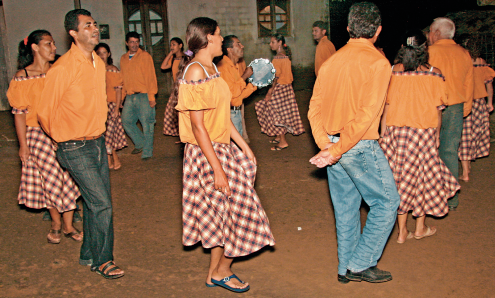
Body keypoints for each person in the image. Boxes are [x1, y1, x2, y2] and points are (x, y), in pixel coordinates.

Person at [175, 17, 275, 293]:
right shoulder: (195, 71)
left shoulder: (211, 68)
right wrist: (217, 169)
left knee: (224, 215)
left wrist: (243, 145)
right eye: (219, 36)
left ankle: (214, 273)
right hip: (205, 153)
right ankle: (223, 270)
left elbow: (221, 114)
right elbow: (197, 127)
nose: (222, 40)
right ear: (207, 38)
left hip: (220, 148)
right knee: (245, 212)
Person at [308, 2, 399, 283]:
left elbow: (314, 108)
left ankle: (344, 266)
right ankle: (359, 263)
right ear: (379, 30)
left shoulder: (332, 60)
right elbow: (366, 115)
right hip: (357, 145)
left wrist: (326, 145)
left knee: (346, 207)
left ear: (348, 28)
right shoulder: (378, 62)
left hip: (333, 143)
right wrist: (334, 149)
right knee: (387, 203)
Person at [37, 9, 124, 279]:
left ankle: (88, 253)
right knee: (102, 204)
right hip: (73, 146)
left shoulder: (97, 63)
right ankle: (103, 260)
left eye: (95, 24)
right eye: (87, 26)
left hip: (96, 141)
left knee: (93, 202)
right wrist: (60, 139)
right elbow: (44, 111)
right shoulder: (63, 67)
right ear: (73, 33)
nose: (94, 29)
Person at [379, 30, 460, 243]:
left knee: (399, 180)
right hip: (423, 133)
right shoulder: (435, 74)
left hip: (397, 134)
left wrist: (382, 132)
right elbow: (438, 109)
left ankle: (402, 231)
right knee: (421, 180)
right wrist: (437, 136)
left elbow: (386, 106)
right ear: (425, 49)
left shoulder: (393, 71)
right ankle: (420, 228)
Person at [7, 29, 82, 244]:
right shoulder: (23, 77)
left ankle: (68, 225)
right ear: (35, 47)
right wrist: (23, 146)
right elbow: (20, 115)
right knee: (50, 177)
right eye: (48, 44)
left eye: (53, 44)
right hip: (37, 133)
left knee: (69, 176)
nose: (54, 48)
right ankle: (56, 222)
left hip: (63, 130)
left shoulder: (58, 71)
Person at [428, 17, 474, 210]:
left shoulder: (429, 52)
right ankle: (451, 198)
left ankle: (431, 197)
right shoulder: (464, 54)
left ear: (437, 33)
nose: (428, 36)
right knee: (449, 152)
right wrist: (465, 110)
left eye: (430, 32)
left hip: (431, 108)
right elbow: (468, 85)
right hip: (455, 107)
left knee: (430, 153)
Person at [255, 34, 305, 150]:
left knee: (276, 114)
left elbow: (275, 77)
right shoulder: (286, 56)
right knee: (282, 112)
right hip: (287, 89)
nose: (270, 44)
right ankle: (278, 136)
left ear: (280, 43)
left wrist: (269, 92)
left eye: (273, 42)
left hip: (280, 88)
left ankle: (283, 141)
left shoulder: (277, 58)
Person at [457, 37, 495, 181]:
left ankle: (466, 172)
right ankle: (468, 166)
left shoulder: (463, 62)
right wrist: (489, 103)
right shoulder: (481, 63)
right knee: (474, 135)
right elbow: (489, 85)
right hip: (480, 103)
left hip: (467, 102)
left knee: (465, 137)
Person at [120, 31, 158, 160]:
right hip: (130, 96)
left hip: (144, 94)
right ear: (127, 43)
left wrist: (151, 96)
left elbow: (151, 77)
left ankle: (147, 151)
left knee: (147, 124)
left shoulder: (145, 56)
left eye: (136, 42)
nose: (134, 44)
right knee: (126, 121)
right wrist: (122, 97)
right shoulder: (123, 59)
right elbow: (123, 78)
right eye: (131, 42)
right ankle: (141, 142)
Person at [95, 43, 128, 170]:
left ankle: (109, 159)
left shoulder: (112, 69)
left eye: (104, 52)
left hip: (111, 105)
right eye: (99, 53)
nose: (102, 55)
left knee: (109, 134)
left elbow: (118, 89)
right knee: (104, 134)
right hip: (99, 106)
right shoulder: (95, 70)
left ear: (108, 54)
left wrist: (117, 107)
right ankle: (114, 158)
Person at [217, 35, 257, 136]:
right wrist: (244, 76)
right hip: (229, 114)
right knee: (235, 147)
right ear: (229, 50)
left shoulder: (235, 65)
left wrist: (255, 84)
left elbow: (239, 95)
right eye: (238, 44)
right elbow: (233, 93)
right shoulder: (223, 67)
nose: (242, 46)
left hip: (236, 112)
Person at [162, 37, 185, 139]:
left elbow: (192, 54)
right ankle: (180, 135)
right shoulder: (173, 59)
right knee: (172, 113)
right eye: (171, 45)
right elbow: (163, 66)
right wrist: (171, 53)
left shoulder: (186, 56)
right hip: (176, 90)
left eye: (174, 44)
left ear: (180, 45)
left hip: (184, 88)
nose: (172, 47)